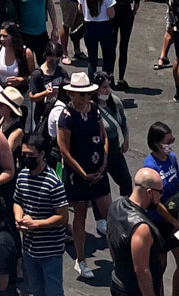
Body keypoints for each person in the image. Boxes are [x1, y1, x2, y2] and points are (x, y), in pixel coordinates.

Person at [59, 72, 113, 280]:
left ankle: (119, 259)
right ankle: (80, 259)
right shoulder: (66, 117)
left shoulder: (95, 110)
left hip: (98, 170)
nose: (83, 98)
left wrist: (104, 163)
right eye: (79, 94)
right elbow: (64, 150)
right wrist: (82, 173)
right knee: (80, 215)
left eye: (86, 94)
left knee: (110, 214)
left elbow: (104, 137)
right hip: (78, 173)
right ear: (71, 94)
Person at [14, 133, 72, 296]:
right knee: (36, 291)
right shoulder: (22, 176)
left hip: (50, 251)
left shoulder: (53, 183)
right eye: (24, 154)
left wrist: (36, 224)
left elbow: (63, 217)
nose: (26, 158)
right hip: (29, 249)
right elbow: (17, 201)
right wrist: (19, 217)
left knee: (53, 292)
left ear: (41, 154)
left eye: (31, 155)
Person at [106, 168, 169, 296]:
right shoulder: (141, 228)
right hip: (134, 291)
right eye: (160, 192)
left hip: (118, 281)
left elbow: (110, 241)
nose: (161, 196)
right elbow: (142, 271)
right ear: (150, 192)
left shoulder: (115, 205)